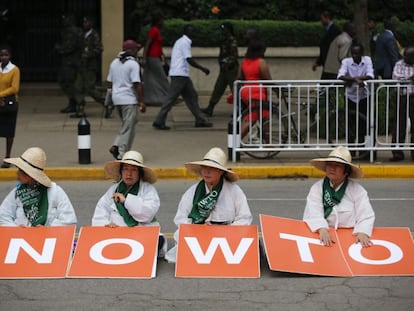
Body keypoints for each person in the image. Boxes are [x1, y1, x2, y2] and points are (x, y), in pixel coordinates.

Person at [164, 147, 252, 263]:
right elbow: (181, 218)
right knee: (178, 234)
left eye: (212, 168)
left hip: (226, 235)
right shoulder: (193, 191)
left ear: (220, 171)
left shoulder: (234, 191)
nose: (207, 172)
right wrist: (199, 228)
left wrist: (224, 230)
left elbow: (245, 218)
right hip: (199, 233)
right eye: (204, 168)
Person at [92, 150, 167, 257]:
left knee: (156, 240)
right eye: (125, 169)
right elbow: (101, 210)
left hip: (141, 230)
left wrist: (126, 201)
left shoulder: (148, 189)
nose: (129, 173)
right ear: (121, 172)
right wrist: (106, 224)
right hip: (117, 231)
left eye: (133, 170)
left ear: (140, 173)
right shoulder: (114, 189)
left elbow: (147, 214)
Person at [303, 146, 375, 247]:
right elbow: (313, 212)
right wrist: (322, 229)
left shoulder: (357, 190)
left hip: (350, 237)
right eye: (330, 164)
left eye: (337, 165)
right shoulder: (317, 188)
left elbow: (366, 215)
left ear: (346, 171)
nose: (332, 168)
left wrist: (363, 232)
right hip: (323, 235)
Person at [152, 24, 212, 130]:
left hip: (180, 74)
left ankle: (200, 119)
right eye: (191, 31)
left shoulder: (180, 41)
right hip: (180, 74)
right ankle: (159, 120)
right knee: (171, 98)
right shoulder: (185, 42)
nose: (192, 33)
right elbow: (189, 59)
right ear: (186, 32)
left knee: (192, 96)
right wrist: (203, 68)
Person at [0, 147, 77, 227]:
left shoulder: (55, 191)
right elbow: (3, 215)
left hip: (48, 238)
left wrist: (47, 230)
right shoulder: (17, 192)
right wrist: (16, 229)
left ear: (29, 175)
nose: (17, 174)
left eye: (21, 171)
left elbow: (69, 221)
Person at [107, 40, 145, 160]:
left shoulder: (114, 62)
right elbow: (137, 84)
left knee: (127, 125)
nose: (138, 52)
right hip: (129, 100)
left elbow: (109, 82)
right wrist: (141, 101)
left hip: (117, 99)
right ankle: (121, 152)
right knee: (129, 127)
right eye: (136, 49)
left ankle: (116, 145)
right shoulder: (133, 64)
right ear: (132, 50)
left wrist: (111, 98)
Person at [337, 43, 374, 156]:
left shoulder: (367, 60)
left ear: (361, 54)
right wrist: (356, 80)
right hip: (350, 96)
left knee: (363, 125)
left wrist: (351, 80)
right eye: (353, 53)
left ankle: (363, 150)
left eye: (357, 53)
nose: (354, 55)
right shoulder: (346, 62)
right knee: (350, 125)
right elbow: (340, 76)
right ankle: (351, 152)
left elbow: (370, 75)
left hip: (364, 96)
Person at [239, 39, 274, 142]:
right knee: (252, 118)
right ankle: (235, 142)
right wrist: (277, 89)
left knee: (264, 117)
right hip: (257, 92)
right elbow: (268, 79)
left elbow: (239, 77)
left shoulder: (244, 62)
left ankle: (269, 144)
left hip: (246, 91)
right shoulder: (261, 62)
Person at [201, 22, 239, 117]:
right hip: (224, 69)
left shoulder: (232, 40)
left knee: (235, 90)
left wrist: (227, 64)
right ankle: (210, 107)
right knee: (218, 88)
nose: (223, 31)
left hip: (231, 69)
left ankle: (240, 110)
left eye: (224, 29)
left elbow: (234, 56)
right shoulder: (224, 40)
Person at [74, 16, 108, 119]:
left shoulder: (94, 35)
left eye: (87, 22)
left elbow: (99, 49)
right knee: (78, 86)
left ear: (91, 23)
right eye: (84, 22)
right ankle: (80, 109)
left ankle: (106, 102)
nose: (85, 24)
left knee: (90, 88)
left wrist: (88, 55)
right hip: (82, 66)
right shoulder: (82, 35)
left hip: (90, 66)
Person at [55, 13, 84, 115]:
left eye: (65, 19)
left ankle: (75, 104)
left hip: (70, 61)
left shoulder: (71, 32)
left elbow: (69, 47)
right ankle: (74, 103)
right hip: (72, 61)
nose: (63, 21)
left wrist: (59, 48)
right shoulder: (75, 31)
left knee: (68, 83)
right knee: (67, 82)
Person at [389, 46, 414, 162]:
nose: (405, 58)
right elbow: (396, 77)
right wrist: (410, 78)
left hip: (413, 96)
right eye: (405, 56)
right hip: (402, 96)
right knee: (399, 124)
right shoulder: (399, 64)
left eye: (408, 57)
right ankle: (397, 153)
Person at [142, 14, 169, 107]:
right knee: (162, 77)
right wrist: (144, 58)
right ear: (158, 21)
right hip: (152, 57)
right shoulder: (153, 30)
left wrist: (163, 56)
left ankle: (155, 98)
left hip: (156, 56)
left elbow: (158, 46)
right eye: (162, 20)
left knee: (151, 78)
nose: (163, 23)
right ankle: (169, 96)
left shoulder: (157, 31)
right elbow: (147, 44)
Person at [0, 46, 20, 168]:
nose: (3, 57)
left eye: (6, 55)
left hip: (9, 102)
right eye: (1, 55)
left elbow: (14, 88)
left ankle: (8, 156)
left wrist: (0, 95)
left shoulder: (14, 70)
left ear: (10, 56)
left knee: (8, 131)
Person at [312, 11, 341, 79]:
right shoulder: (326, 30)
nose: (321, 21)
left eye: (322, 19)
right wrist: (318, 62)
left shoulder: (335, 30)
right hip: (327, 62)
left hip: (332, 62)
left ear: (327, 18)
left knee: (327, 83)